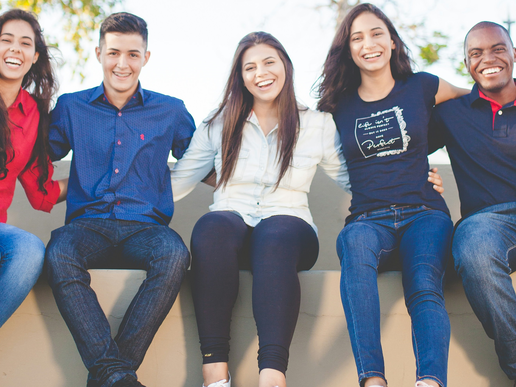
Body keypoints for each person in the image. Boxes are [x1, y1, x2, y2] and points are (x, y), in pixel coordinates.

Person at [171, 31, 351, 387]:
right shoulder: (219, 123)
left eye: (269, 62)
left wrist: (410, 179)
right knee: (212, 226)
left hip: (290, 231)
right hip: (230, 234)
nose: (260, 73)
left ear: (285, 64)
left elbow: (355, 179)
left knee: (276, 231)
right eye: (249, 67)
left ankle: (271, 376)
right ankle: (215, 374)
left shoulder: (317, 124)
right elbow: (178, 180)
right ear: (240, 77)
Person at [317, 3, 468, 387]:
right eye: (357, 37)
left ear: (393, 41)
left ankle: (430, 381)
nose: (369, 44)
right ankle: (373, 380)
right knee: (353, 245)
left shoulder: (423, 85)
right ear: (348, 49)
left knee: (423, 282)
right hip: (368, 219)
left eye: (376, 33)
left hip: (425, 213)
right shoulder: (337, 105)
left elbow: (478, 105)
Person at [45, 12, 195, 387]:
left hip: (145, 229)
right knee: (59, 251)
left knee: (175, 254)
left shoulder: (171, 110)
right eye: (113, 53)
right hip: (86, 227)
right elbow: (35, 157)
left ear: (146, 57)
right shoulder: (70, 106)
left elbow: (204, 160)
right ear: (99, 53)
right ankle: (119, 376)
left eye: (132, 54)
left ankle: (111, 375)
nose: (122, 64)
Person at [430, 21, 516, 386]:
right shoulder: (453, 113)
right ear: (467, 64)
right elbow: (398, 141)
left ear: (513, 54)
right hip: (488, 222)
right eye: (476, 53)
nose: (488, 59)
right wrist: (420, 175)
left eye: (498, 48)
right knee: (474, 250)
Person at [0, 9, 66, 328]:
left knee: (29, 249)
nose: (15, 49)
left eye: (25, 43)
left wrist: (96, 178)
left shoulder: (33, 115)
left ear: (34, 56)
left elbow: (43, 193)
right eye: (6, 40)